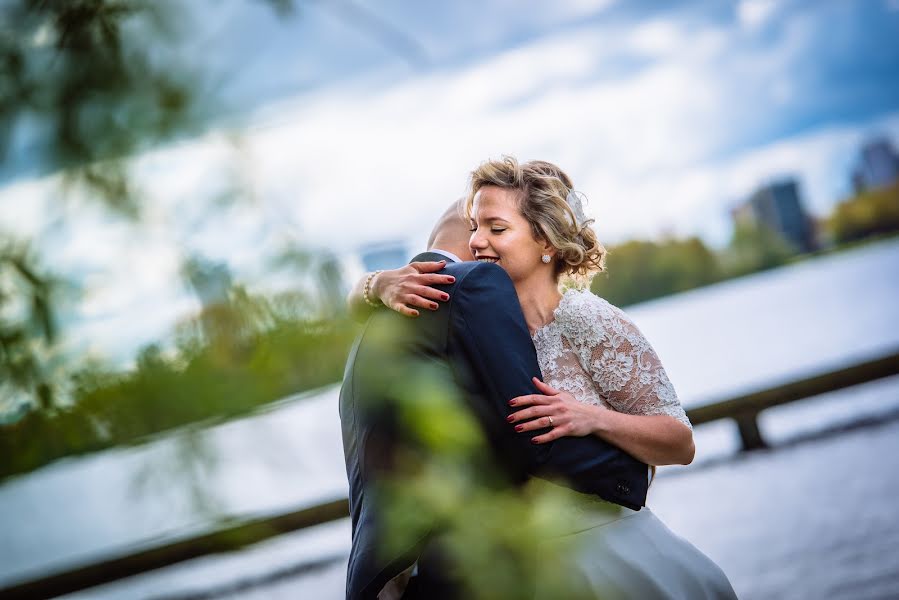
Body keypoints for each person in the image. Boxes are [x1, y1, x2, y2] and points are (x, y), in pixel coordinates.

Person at [357, 157, 737, 599]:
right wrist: (377, 283)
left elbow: (680, 443)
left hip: (611, 558)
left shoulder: (586, 319)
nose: (477, 242)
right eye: (475, 227)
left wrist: (591, 418)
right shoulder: (472, 326)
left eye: (496, 229)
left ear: (546, 241)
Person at [339, 199, 651, 600]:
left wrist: (371, 283)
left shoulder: (371, 325)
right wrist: (630, 471)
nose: (488, 245)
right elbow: (526, 428)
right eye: (487, 229)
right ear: (473, 230)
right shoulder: (475, 283)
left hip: (382, 574)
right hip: (456, 569)